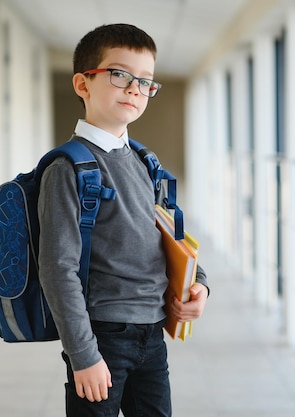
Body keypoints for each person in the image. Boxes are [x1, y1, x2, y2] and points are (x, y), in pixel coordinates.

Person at [37, 23, 209, 417]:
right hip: (103, 336)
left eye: (146, 81)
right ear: (83, 84)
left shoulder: (146, 162)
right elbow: (57, 269)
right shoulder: (70, 168)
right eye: (120, 74)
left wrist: (199, 286)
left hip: (153, 333)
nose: (135, 88)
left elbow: (173, 237)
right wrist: (83, 355)